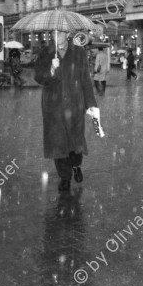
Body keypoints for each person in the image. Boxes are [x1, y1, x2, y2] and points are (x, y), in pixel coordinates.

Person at [34, 32, 99, 192]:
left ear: (67, 34)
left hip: (75, 105)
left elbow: (85, 79)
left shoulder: (78, 52)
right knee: (58, 143)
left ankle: (76, 165)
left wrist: (91, 103)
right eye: (54, 32)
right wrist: (51, 70)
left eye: (61, 32)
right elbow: (38, 77)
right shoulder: (45, 52)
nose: (57, 35)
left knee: (75, 142)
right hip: (53, 107)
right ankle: (65, 177)